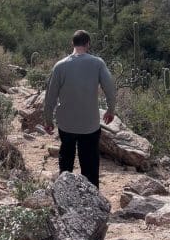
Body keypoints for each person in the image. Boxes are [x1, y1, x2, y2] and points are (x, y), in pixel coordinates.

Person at [44, 29, 116, 188]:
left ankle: (64, 192)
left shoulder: (60, 66)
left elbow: (50, 96)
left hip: (66, 124)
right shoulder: (97, 63)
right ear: (88, 44)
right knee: (90, 163)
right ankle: (92, 198)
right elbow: (110, 88)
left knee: (66, 158)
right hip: (90, 124)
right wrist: (111, 109)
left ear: (72, 44)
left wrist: (48, 120)